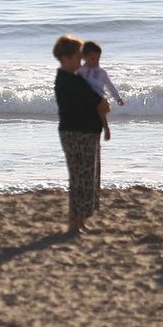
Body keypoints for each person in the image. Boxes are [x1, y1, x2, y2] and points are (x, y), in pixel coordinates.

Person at [54, 35, 111, 235]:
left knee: (87, 176)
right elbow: (100, 103)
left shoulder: (73, 78)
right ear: (65, 58)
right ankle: (74, 222)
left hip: (86, 131)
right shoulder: (71, 80)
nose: (81, 60)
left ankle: (79, 221)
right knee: (80, 177)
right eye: (78, 56)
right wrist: (102, 106)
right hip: (77, 133)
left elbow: (99, 102)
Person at [77, 41, 125, 141]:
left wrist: (118, 98)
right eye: (92, 59)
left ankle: (106, 128)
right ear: (84, 57)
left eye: (98, 59)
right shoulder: (80, 71)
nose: (96, 61)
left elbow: (110, 86)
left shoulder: (101, 72)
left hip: (99, 99)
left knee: (100, 108)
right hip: (85, 99)